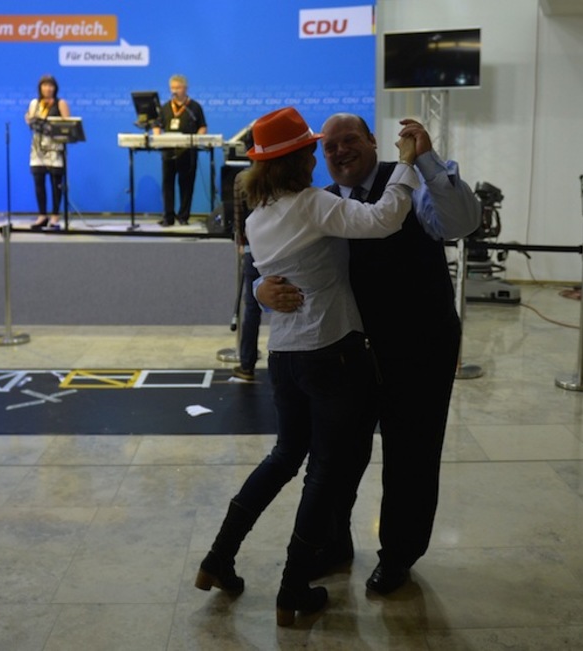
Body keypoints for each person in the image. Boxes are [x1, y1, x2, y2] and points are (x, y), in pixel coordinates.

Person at [194, 106, 421, 626]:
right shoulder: (315, 205)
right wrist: (405, 164)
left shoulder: (258, 216)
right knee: (323, 470)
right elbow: (386, 218)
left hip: (287, 356)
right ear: (300, 159)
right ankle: (294, 586)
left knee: (283, 457)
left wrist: (257, 287)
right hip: (332, 352)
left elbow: (263, 279)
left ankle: (218, 558)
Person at [257, 113, 480, 595]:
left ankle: (398, 555)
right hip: (349, 355)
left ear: (373, 142)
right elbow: (281, 259)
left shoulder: (412, 184)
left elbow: (461, 223)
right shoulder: (323, 204)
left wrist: (426, 160)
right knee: (338, 455)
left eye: (349, 140)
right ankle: (333, 543)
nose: (339, 152)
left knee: (412, 455)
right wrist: (260, 289)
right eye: (330, 146)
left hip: (419, 347)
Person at [153, 74, 207, 226]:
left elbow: (202, 126)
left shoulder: (194, 107)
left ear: (185, 88)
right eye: (172, 88)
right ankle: (168, 217)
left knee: (186, 185)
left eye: (178, 87)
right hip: (168, 152)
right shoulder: (165, 107)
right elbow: (157, 124)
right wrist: (157, 136)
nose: (174, 90)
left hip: (187, 153)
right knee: (167, 185)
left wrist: (197, 139)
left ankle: (183, 217)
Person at [25, 75, 71, 231]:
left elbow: (68, 125)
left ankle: (55, 217)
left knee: (55, 184)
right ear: (40, 88)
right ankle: (42, 215)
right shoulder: (34, 103)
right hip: (38, 149)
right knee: (39, 182)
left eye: (51, 86)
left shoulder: (61, 103)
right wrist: (29, 120)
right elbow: (30, 120)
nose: (48, 88)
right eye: (45, 85)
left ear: (55, 88)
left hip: (55, 149)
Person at [231, 168, 261, 381]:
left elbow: (238, 215)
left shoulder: (242, 178)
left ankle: (247, 365)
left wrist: (241, 242)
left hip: (253, 248)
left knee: (251, 310)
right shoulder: (284, 174)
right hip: (283, 247)